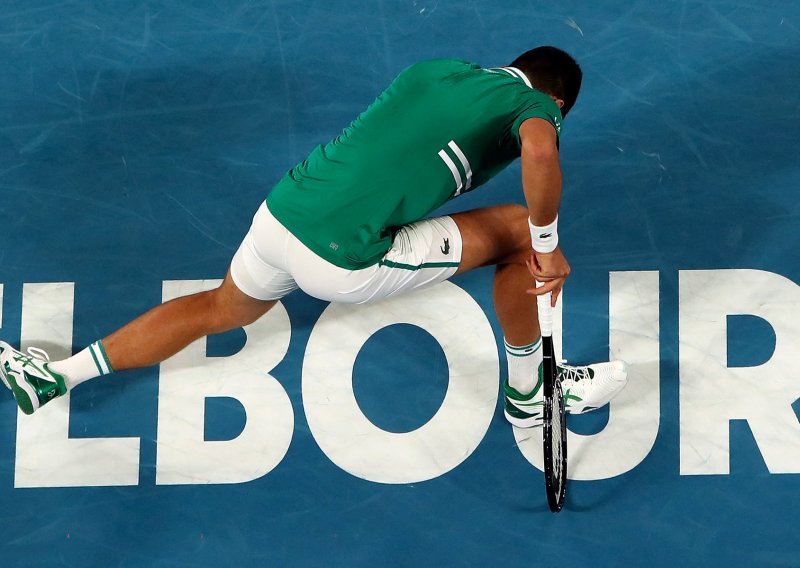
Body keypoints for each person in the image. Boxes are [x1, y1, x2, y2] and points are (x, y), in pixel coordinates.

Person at [0, 46, 627, 427]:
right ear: (559, 100)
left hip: (280, 216)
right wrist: (546, 240)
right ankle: (532, 393)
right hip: (341, 256)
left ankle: (59, 377)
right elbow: (540, 157)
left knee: (220, 308)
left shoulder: (439, 71)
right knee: (518, 231)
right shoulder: (540, 107)